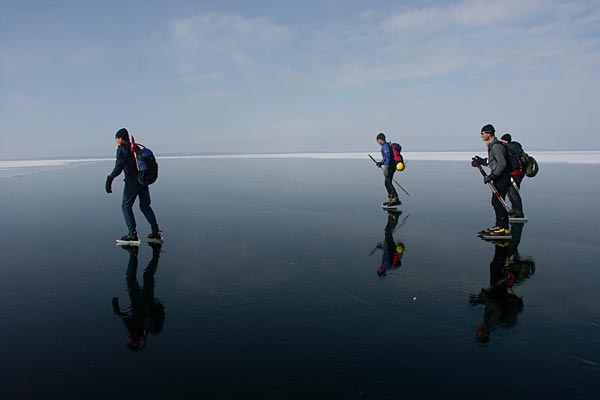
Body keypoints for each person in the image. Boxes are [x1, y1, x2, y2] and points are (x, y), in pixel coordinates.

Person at [105, 128, 162, 243]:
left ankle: (132, 234)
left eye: (116, 139)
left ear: (120, 138)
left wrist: (110, 178)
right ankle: (155, 232)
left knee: (126, 206)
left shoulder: (123, 149)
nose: (116, 141)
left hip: (132, 181)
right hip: (143, 180)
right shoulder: (136, 148)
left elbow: (119, 166)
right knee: (145, 206)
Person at [112, 243, 165, 351]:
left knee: (131, 278)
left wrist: (116, 309)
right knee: (147, 275)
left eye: (128, 338)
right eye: (130, 338)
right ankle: (156, 253)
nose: (128, 335)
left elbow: (125, 319)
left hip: (137, 301)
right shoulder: (151, 328)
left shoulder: (134, 329)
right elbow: (157, 314)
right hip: (147, 299)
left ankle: (133, 254)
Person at [471, 124, 510, 237]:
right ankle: (499, 226)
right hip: (499, 177)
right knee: (496, 201)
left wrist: (493, 176)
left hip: (502, 177)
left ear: (489, 133)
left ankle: (503, 229)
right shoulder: (492, 145)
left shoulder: (496, 146)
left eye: (483, 133)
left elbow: (502, 163)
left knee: (499, 202)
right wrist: (481, 161)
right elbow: (493, 161)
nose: (481, 135)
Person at [373, 210, 406, 277]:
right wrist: (385, 246)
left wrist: (381, 247)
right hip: (390, 247)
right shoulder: (385, 265)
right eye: (378, 270)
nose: (378, 268)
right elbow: (387, 255)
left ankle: (392, 216)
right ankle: (395, 217)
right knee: (388, 232)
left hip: (391, 248)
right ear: (381, 271)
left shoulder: (386, 266)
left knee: (388, 232)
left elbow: (387, 255)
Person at [500, 133, 525, 218]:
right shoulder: (513, 149)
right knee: (510, 193)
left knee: (513, 193)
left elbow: (511, 164)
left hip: (515, 174)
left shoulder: (511, 149)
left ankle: (519, 212)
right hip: (514, 174)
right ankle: (515, 210)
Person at [375, 133, 400, 207]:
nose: (377, 142)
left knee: (388, 183)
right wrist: (381, 163)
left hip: (390, 167)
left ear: (380, 140)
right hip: (391, 166)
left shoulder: (385, 146)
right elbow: (386, 158)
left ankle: (394, 199)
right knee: (387, 183)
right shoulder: (386, 145)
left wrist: (386, 167)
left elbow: (388, 157)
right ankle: (392, 198)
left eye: (377, 140)